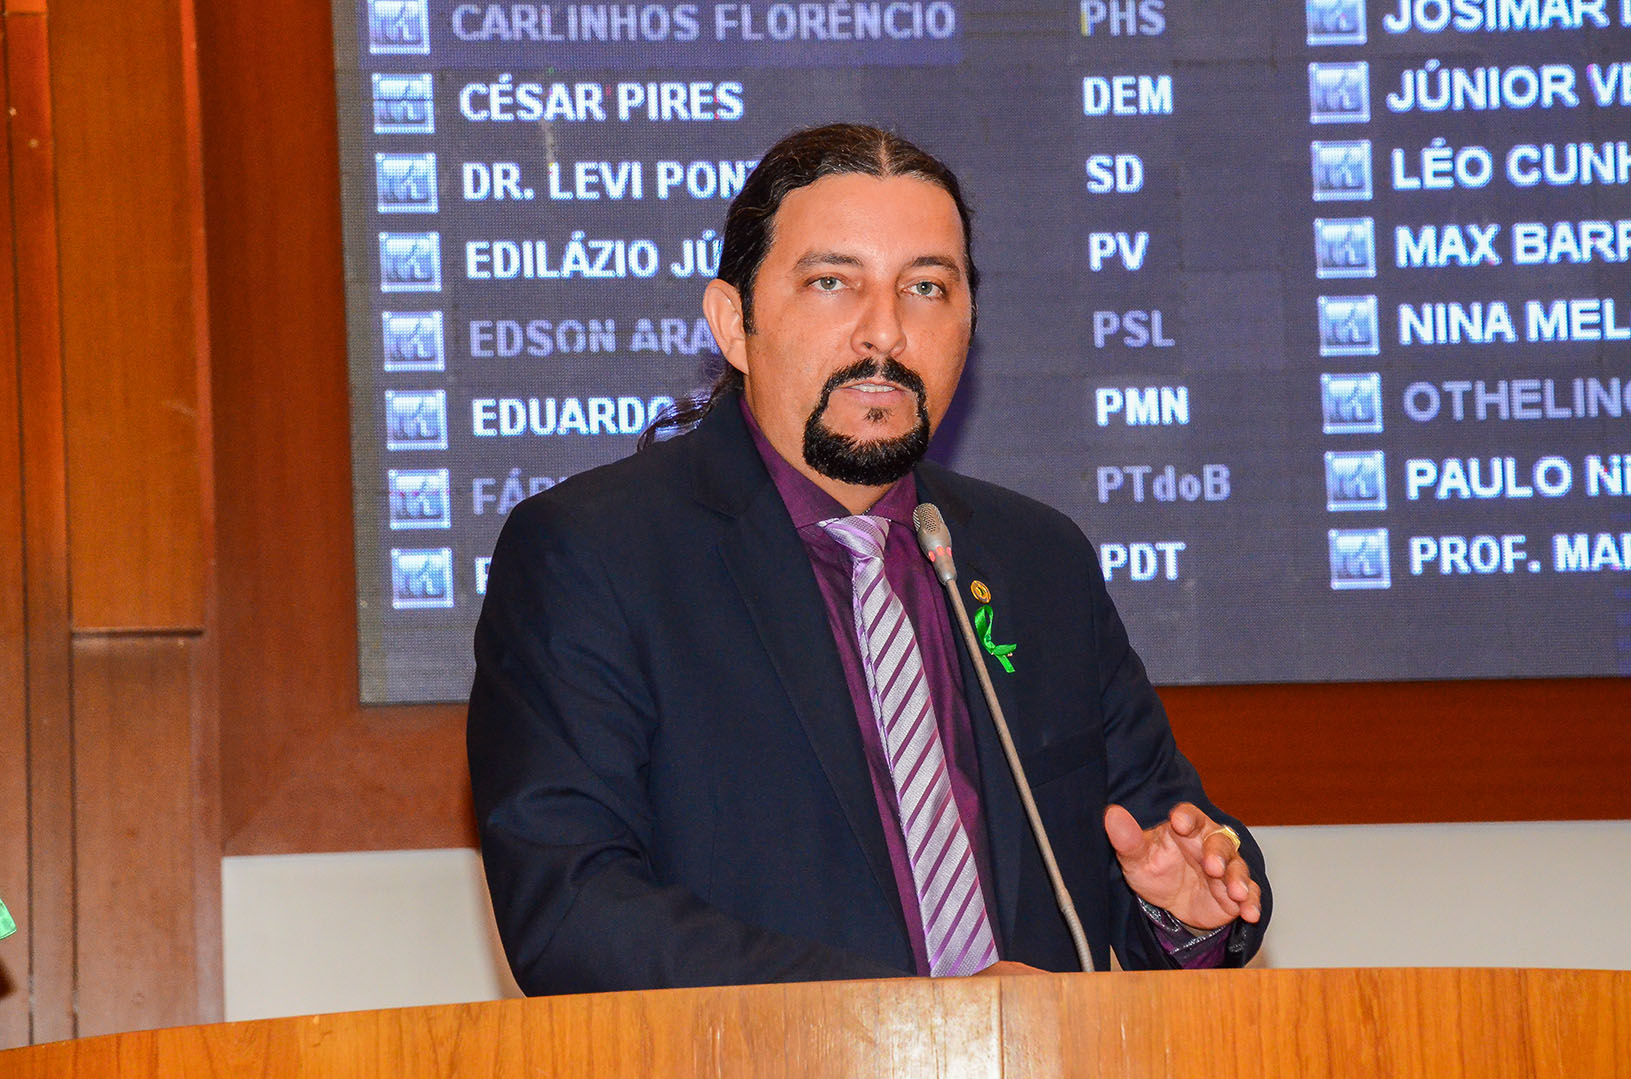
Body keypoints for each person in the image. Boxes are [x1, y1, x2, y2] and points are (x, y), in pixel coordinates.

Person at [468, 124, 1269, 995]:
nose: (883, 333)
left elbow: (1157, 833)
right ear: (734, 323)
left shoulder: (1038, 560)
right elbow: (571, 910)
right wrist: (901, 1021)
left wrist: (1184, 908)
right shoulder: (594, 553)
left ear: (968, 324)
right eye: (831, 283)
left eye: (925, 288)